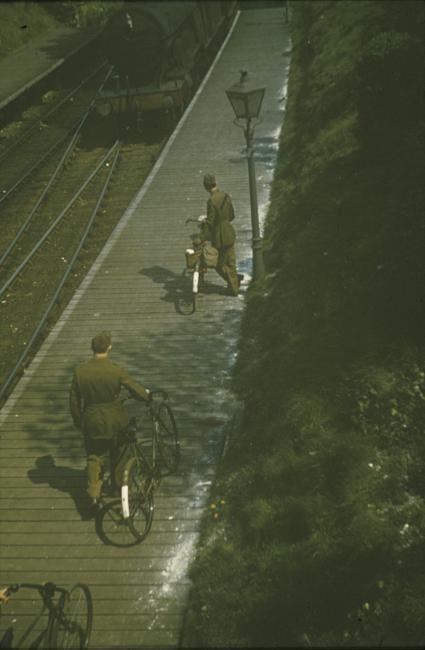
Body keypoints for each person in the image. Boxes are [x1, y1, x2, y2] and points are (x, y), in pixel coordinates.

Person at [69, 331, 150, 510]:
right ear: (109, 348)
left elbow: (74, 400)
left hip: (91, 420)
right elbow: (134, 388)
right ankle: (118, 489)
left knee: (94, 456)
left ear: (92, 349)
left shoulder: (80, 372)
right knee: (121, 453)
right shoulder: (115, 370)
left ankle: (94, 495)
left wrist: (78, 420)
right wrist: (146, 397)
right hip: (116, 420)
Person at [201, 173, 243, 296]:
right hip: (229, 232)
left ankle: (234, 287)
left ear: (205, 186)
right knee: (230, 262)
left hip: (220, 236)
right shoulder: (225, 196)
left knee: (219, 264)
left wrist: (202, 237)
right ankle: (234, 281)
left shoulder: (211, 201)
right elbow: (232, 215)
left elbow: (210, 222)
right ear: (215, 182)